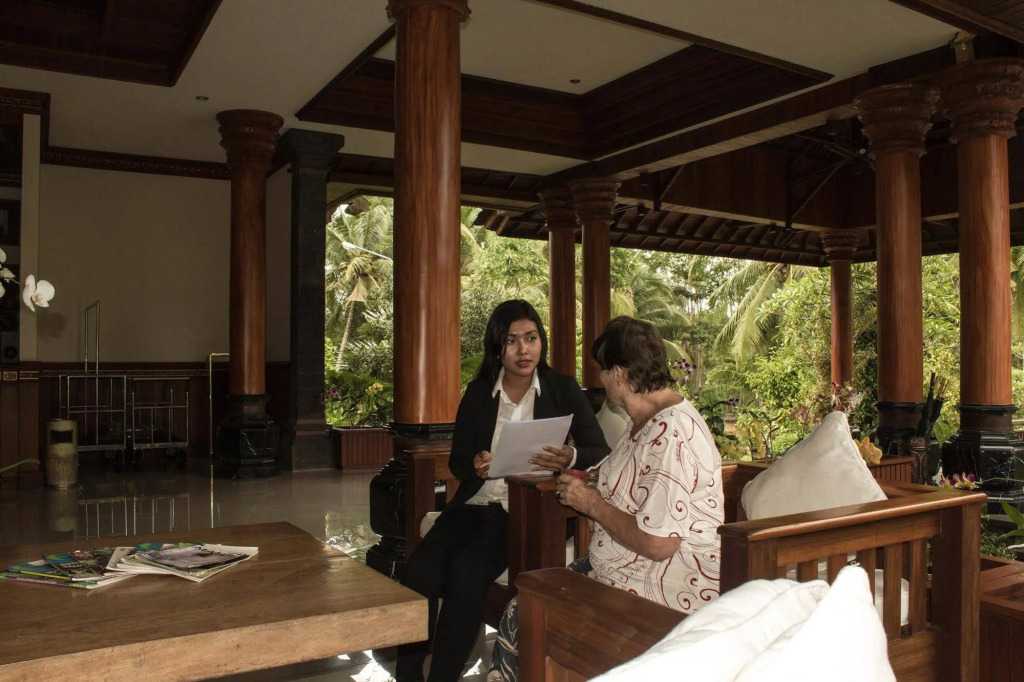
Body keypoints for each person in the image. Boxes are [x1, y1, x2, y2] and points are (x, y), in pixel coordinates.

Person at [488, 316, 724, 682]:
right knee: (527, 600)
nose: (599, 378)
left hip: (665, 582)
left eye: (602, 370)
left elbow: (659, 544)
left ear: (619, 373)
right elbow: (630, 476)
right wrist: (587, 480)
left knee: (530, 614)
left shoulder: (671, 434)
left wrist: (590, 503)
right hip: (622, 567)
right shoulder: (645, 419)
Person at [396, 299, 610, 682]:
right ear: (497, 348)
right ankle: (408, 674)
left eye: (531, 338)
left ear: (541, 342)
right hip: (474, 504)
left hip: (526, 512)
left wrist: (571, 455)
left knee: (466, 573)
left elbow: (600, 450)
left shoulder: (562, 389)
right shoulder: (479, 393)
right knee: (418, 572)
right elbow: (458, 461)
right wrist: (476, 463)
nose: (523, 349)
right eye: (511, 341)